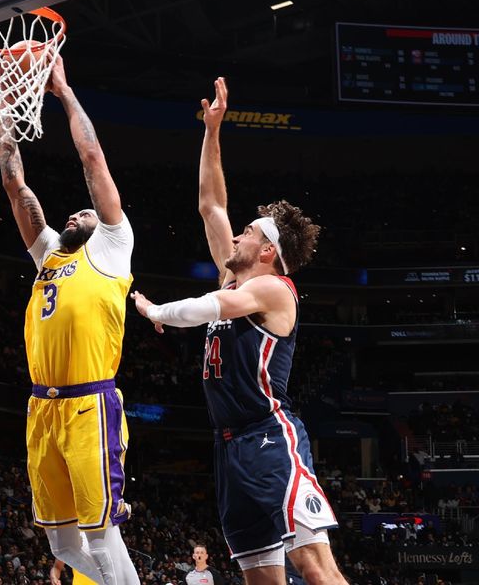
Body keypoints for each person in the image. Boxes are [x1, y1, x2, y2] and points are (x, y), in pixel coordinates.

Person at [131, 77, 347, 585]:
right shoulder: (236, 272)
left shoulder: (275, 290)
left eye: (250, 230)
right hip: (229, 448)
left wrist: (158, 311)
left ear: (268, 250)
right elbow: (211, 205)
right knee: (261, 578)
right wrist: (212, 131)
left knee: (314, 566)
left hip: (270, 436)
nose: (240, 232)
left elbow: (214, 306)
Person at [0, 54, 138, 585]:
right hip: (42, 408)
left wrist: (63, 92)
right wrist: (4, 111)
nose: (76, 213)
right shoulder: (49, 252)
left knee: (101, 534)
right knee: (59, 539)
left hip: (89, 405)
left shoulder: (112, 246)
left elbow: (92, 157)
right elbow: (16, 186)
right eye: (73, 212)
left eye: (84, 211)